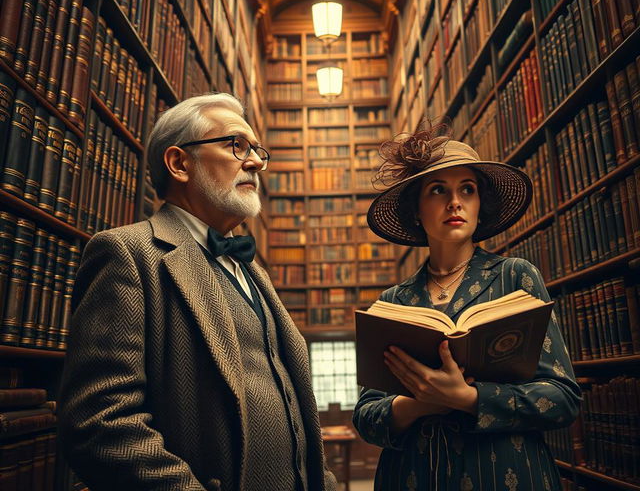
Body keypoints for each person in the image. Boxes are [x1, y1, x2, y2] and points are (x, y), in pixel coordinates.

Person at [58, 93, 337, 491]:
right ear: (179, 164)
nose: (256, 162)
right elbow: (99, 423)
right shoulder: (127, 254)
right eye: (236, 145)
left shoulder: (253, 270)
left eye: (257, 150)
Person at [352, 121, 581, 491]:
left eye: (467, 190)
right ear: (416, 210)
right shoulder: (393, 303)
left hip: (505, 474)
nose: (454, 202)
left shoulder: (515, 277)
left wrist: (469, 399)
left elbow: (563, 399)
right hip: (413, 476)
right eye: (438, 190)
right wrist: (421, 403)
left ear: (479, 205)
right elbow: (366, 417)